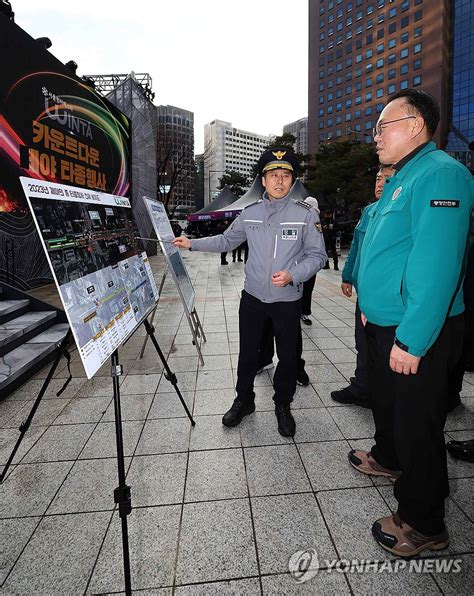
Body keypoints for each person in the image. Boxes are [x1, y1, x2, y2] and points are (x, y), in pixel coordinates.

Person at [348, 89, 473, 557]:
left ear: (416, 125)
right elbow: (384, 251)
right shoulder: (404, 176)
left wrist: (414, 340)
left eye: (383, 125)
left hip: (417, 331)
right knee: (395, 412)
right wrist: (370, 301)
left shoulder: (441, 174)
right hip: (387, 323)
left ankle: (423, 523)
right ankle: (391, 459)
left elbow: (436, 266)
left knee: (419, 424)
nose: (375, 136)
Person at [174, 147, 327, 436]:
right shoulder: (250, 212)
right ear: (263, 180)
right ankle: (244, 401)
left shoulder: (305, 215)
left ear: (292, 181)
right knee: (247, 354)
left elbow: (318, 256)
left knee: (287, 357)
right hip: (254, 298)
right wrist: (192, 244)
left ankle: (283, 404)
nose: (279, 181)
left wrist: (294, 274)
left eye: (285, 175)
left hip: (287, 300)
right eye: (273, 175)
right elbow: (226, 241)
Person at [331, 164, 395, 408]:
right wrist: (347, 276)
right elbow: (357, 248)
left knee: (384, 346)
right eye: (378, 178)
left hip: (388, 294)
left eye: (387, 179)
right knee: (363, 342)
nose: (380, 183)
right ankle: (363, 387)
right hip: (365, 292)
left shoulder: (399, 211)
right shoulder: (369, 211)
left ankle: (377, 390)